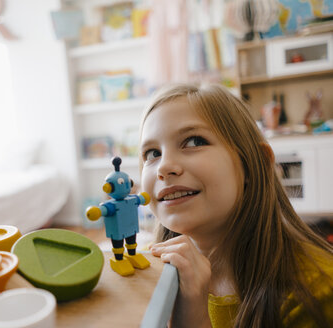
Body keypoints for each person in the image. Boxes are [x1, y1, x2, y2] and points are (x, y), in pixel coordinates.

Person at [139, 83, 333, 327]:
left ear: (255, 165)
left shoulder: (316, 293)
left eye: (193, 141)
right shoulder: (153, 271)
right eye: (152, 153)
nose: (164, 167)